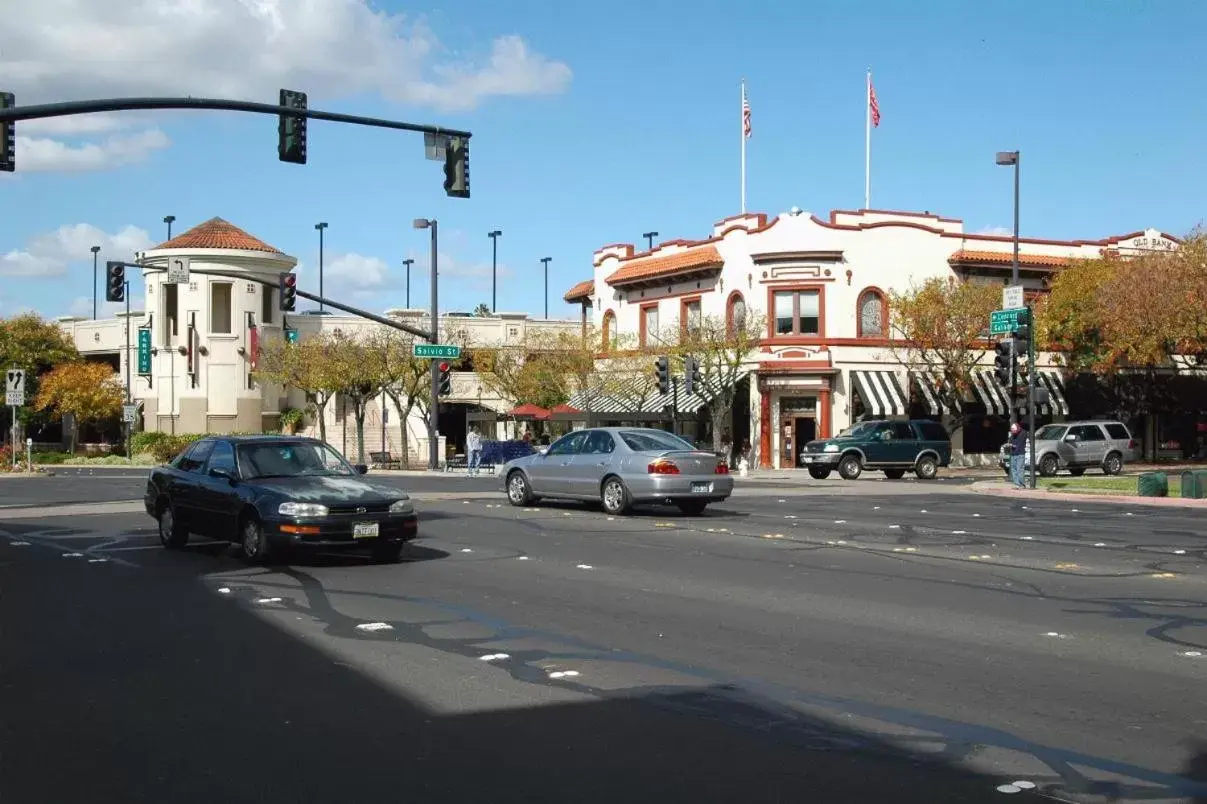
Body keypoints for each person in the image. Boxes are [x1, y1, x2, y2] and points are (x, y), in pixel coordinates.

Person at [1008, 422, 1028, 489]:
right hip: (1013, 454)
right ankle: (1017, 484)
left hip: (1020, 453)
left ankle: (1022, 484)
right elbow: (1010, 441)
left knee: (1020, 469)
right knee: (1014, 469)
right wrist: (1010, 444)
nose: (1014, 433)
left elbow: (1021, 443)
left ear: (1018, 429)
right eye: (1013, 431)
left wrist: (1014, 445)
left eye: (1014, 431)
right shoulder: (1013, 434)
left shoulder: (1023, 433)